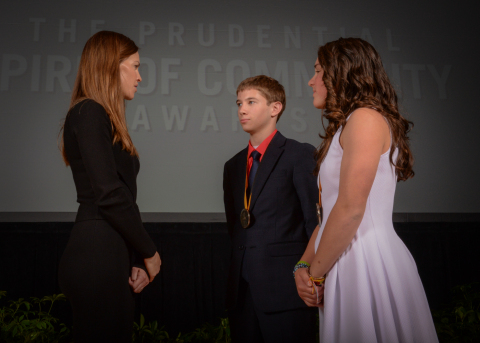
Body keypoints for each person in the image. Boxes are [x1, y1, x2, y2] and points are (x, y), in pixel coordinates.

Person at [295, 37, 438, 342]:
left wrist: (316, 275)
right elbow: (330, 215)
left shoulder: (364, 119)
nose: (311, 81)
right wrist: (303, 265)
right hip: (343, 258)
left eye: (318, 71)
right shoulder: (349, 123)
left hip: (365, 262)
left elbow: (350, 210)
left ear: (341, 73)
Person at [58, 31, 161, 342]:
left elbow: (119, 195)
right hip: (96, 254)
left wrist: (132, 260)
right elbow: (109, 193)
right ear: (113, 66)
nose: (140, 77)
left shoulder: (99, 114)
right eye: (136, 66)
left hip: (109, 251)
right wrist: (149, 252)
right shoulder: (89, 110)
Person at [223, 75, 318, 342]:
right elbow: (236, 227)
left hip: (287, 291)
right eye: (239, 103)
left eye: (251, 102)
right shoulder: (233, 166)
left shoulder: (299, 154)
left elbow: (314, 223)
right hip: (242, 292)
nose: (242, 109)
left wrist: (314, 275)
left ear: (275, 108)